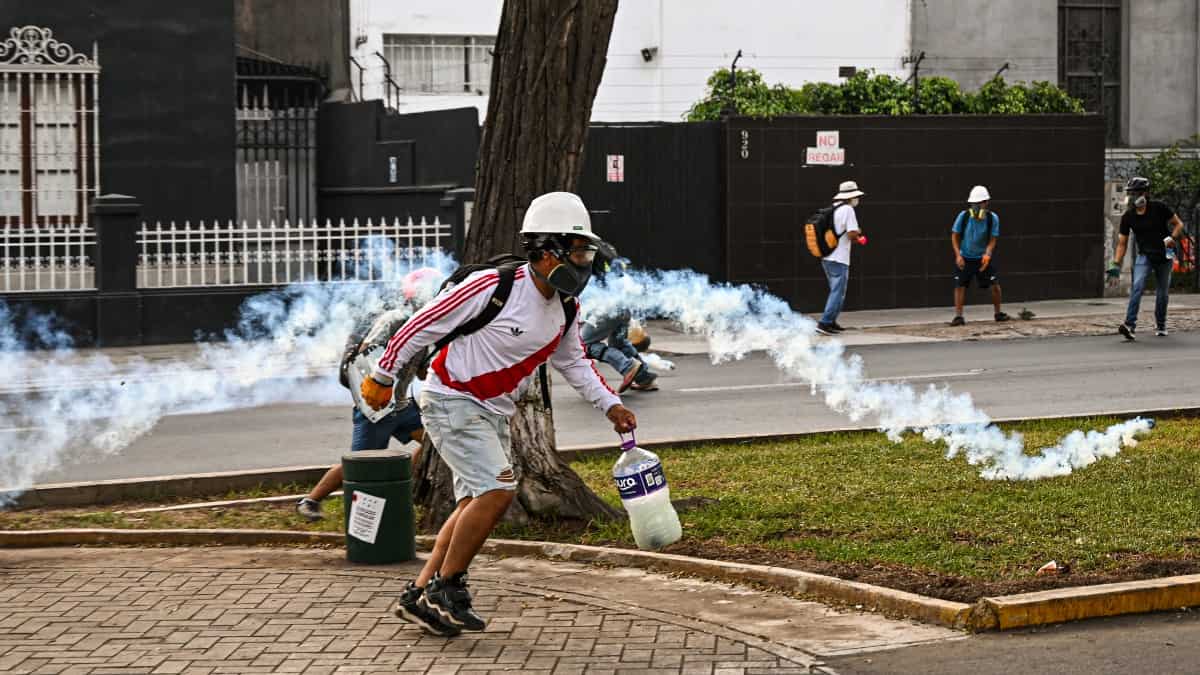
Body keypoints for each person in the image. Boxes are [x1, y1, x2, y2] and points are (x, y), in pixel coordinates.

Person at [360, 191, 637, 637]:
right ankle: (447, 587)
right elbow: (420, 324)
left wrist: (612, 405)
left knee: (475, 499)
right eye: (578, 250)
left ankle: (420, 594)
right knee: (497, 490)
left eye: (587, 251)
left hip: (493, 410)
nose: (584, 262)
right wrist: (384, 374)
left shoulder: (565, 306)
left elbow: (573, 362)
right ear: (547, 251)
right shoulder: (494, 286)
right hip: (451, 400)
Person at [296, 308, 426, 521]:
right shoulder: (396, 319)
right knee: (360, 462)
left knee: (434, 441)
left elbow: (421, 373)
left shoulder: (429, 329)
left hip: (402, 405)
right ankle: (310, 501)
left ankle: (403, 486)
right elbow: (366, 353)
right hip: (376, 407)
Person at [1109, 176, 1186, 339]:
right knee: (1137, 286)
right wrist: (1116, 264)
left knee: (1162, 293)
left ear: (1146, 193)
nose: (1133, 197)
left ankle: (1161, 324)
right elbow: (1122, 243)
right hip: (1145, 256)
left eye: (1136, 193)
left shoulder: (1159, 208)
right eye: (1131, 193)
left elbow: (1179, 224)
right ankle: (1130, 325)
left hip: (1165, 254)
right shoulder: (1128, 216)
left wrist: (1172, 237)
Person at [580, 243, 658, 392]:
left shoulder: (584, 249)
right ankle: (643, 377)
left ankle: (627, 367)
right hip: (624, 305)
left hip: (608, 306)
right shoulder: (605, 247)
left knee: (584, 344)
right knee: (619, 344)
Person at [950, 185, 1010, 326]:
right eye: (973, 204)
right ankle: (958, 317)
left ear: (986, 202)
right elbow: (954, 236)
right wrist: (958, 255)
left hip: (982, 259)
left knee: (994, 285)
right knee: (960, 285)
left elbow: (993, 239)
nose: (976, 206)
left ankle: (998, 313)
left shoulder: (992, 219)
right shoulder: (964, 216)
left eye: (978, 203)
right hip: (965, 257)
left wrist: (987, 255)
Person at [816, 180, 866, 336]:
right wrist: (859, 236)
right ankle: (824, 323)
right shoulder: (848, 210)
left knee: (836, 290)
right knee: (838, 292)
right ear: (851, 197)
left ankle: (831, 321)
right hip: (840, 257)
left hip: (827, 256)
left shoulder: (834, 208)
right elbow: (851, 234)